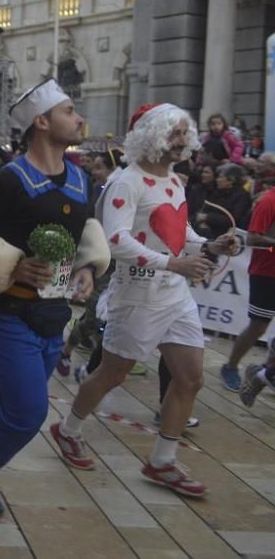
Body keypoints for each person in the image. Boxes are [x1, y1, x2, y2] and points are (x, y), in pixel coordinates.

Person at [0, 78, 109, 535]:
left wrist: (88, 270)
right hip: (9, 316)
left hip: (53, 319)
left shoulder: (80, 178)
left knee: (5, 404)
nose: (79, 118)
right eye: (70, 110)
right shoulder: (7, 180)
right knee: (27, 413)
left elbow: (88, 230)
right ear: (42, 121)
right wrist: (11, 266)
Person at [50, 103, 236, 498]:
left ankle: (163, 462)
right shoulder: (126, 182)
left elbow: (180, 231)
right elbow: (115, 240)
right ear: (152, 134)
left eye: (186, 133)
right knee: (112, 374)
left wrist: (211, 244)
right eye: (175, 132)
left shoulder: (173, 181)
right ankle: (68, 430)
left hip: (175, 295)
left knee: (191, 377)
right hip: (136, 297)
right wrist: (174, 263)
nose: (183, 141)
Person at [221, 166, 275, 391]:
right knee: (258, 327)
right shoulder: (269, 201)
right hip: (266, 273)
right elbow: (252, 238)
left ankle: (267, 373)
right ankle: (230, 367)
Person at [194, 162, 250, 239]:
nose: (217, 180)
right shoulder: (217, 191)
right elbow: (205, 209)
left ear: (231, 180)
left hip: (225, 235)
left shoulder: (242, 196)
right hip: (205, 230)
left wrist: (207, 217)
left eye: (220, 177)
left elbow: (233, 219)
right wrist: (201, 222)